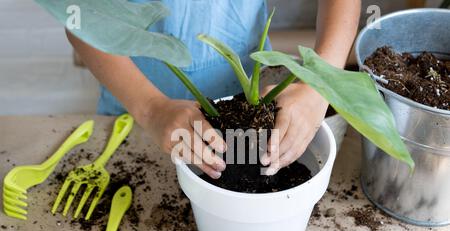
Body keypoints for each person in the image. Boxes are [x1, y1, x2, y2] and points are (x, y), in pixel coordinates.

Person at [67, 0, 361, 179]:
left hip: (244, 104)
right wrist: (150, 108)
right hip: (132, 106)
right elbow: (78, 16)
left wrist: (319, 84)